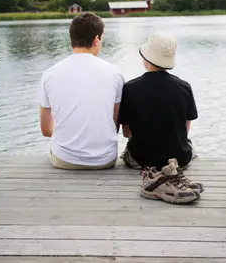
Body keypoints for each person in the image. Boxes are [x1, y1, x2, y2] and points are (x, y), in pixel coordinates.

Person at [119, 31, 203, 203]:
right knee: (190, 147)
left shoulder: (129, 88)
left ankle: (155, 179)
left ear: (146, 59)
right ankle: (172, 171)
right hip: (179, 158)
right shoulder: (184, 87)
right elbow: (185, 131)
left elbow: (126, 133)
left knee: (128, 151)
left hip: (142, 159)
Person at [38, 12, 124, 170]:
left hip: (64, 160)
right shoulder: (114, 73)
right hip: (105, 160)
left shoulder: (49, 74)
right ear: (96, 40)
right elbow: (114, 123)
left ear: (72, 39)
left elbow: (45, 130)